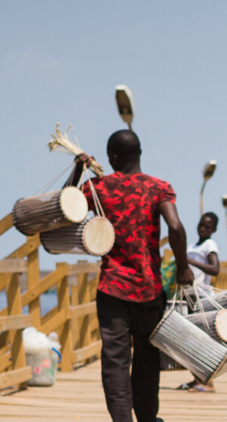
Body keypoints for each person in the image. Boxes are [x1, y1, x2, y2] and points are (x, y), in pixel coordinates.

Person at [67, 130, 190, 422]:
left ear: (112, 157)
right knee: (147, 358)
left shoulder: (97, 187)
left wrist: (77, 171)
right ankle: (148, 418)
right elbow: (175, 227)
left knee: (115, 362)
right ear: (140, 153)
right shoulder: (159, 187)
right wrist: (183, 266)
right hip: (149, 289)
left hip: (112, 290)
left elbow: (65, 207)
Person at [175, 213, 222, 392]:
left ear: (214, 230)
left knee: (201, 340)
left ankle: (207, 382)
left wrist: (189, 260)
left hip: (202, 298)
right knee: (192, 341)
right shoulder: (193, 246)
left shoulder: (210, 245)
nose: (203, 228)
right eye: (201, 225)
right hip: (190, 297)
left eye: (207, 227)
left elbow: (215, 269)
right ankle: (197, 379)